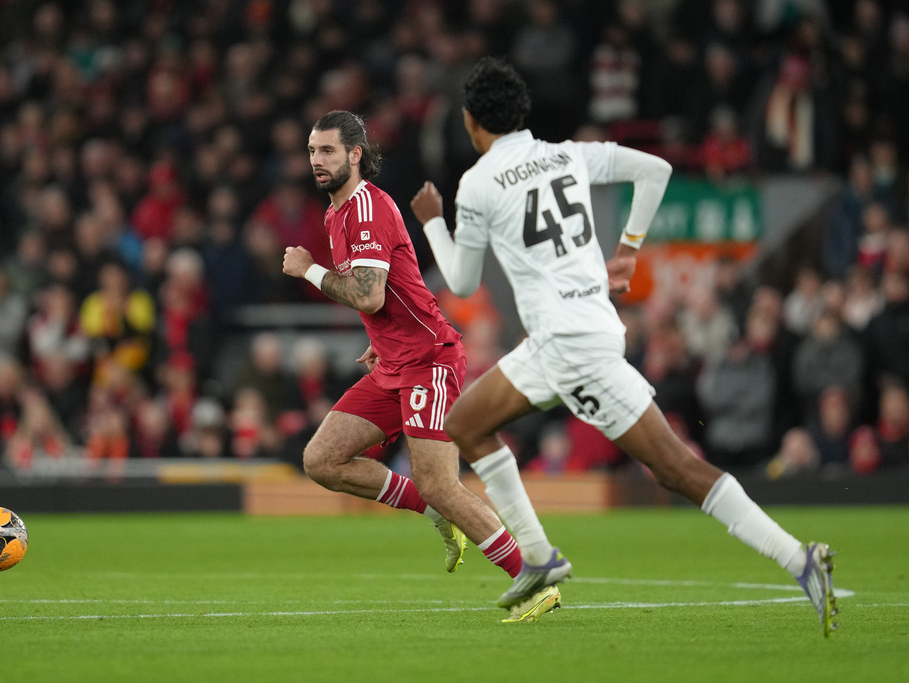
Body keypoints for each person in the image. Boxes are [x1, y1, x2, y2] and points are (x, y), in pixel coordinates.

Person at [410, 57, 838, 635]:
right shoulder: (568, 154)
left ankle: (799, 558)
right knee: (466, 421)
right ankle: (537, 556)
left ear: (470, 121)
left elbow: (461, 281)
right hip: (571, 332)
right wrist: (629, 247)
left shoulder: (479, 183)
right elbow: (655, 169)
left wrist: (434, 222)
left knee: (675, 468)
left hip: (570, 345)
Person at [282, 110, 555, 623]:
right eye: (313, 151)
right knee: (322, 460)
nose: (316, 161)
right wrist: (382, 339)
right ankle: (438, 516)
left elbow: (368, 292)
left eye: (328, 152)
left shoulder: (364, 207)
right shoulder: (336, 212)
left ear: (355, 154)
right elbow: (386, 298)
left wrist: (309, 270)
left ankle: (535, 574)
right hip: (393, 360)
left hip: (429, 360)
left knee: (441, 481)